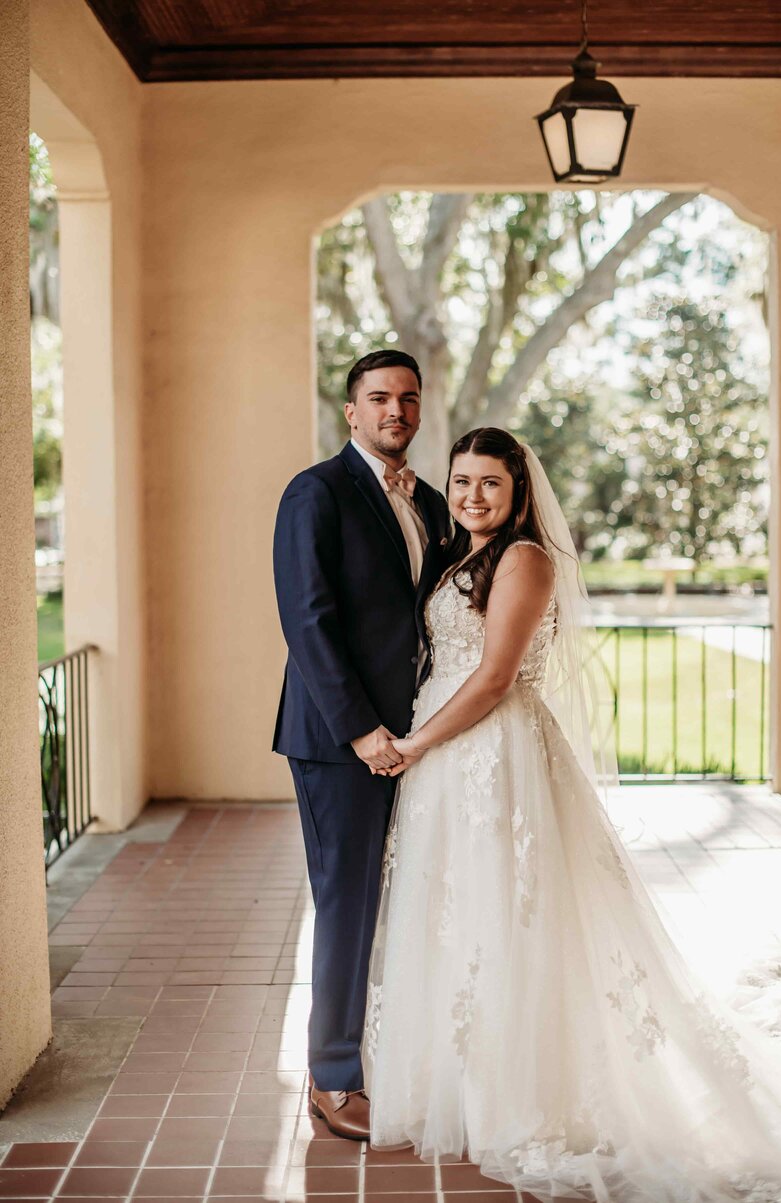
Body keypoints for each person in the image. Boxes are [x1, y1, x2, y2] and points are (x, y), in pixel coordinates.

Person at [363, 426, 781, 1201]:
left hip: (492, 755)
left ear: (520, 491)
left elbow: (496, 676)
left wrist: (415, 743)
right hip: (446, 760)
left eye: (489, 483)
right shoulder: (459, 550)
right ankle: (464, 1086)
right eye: (461, 481)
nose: (472, 495)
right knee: (458, 913)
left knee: (508, 913)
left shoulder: (525, 559)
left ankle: (523, 1098)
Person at [272, 349, 450, 1140]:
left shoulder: (435, 504)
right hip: (340, 739)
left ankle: (402, 1052)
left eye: (409, 399)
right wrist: (360, 730)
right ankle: (332, 1077)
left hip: (418, 736)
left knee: (409, 895)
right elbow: (308, 621)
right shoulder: (315, 493)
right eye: (379, 398)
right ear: (351, 411)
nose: (396, 412)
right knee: (349, 902)